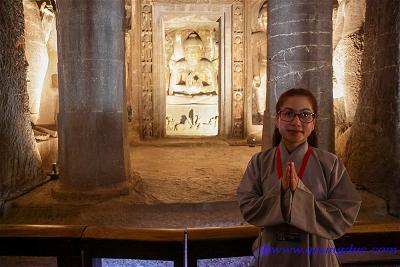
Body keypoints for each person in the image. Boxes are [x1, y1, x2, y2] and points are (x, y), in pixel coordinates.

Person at [237, 88, 361, 266]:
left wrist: (298, 194)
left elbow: (344, 213)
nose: (296, 121)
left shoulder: (330, 164)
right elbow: (247, 206)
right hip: (273, 252)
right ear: (278, 119)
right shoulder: (260, 162)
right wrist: (280, 191)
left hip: (317, 254)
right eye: (288, 113)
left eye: (304, 114)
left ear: (313, 122)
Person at [251, 3, 268, 124]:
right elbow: (254, 56)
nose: (267, 22)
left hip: (279, 67)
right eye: (265, 19)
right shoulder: (257, 37)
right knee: (260, 89)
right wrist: (256, 74)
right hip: (263, 67)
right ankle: (262, 113)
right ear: (260, 21)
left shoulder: (280, 35)